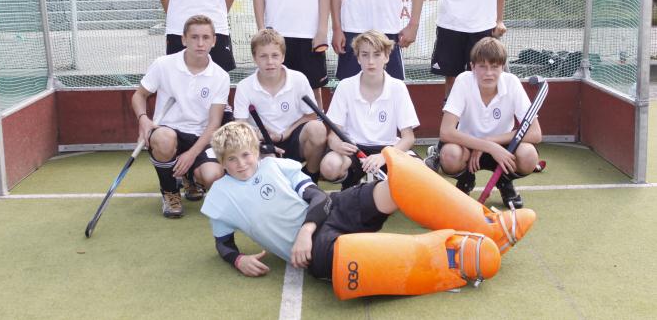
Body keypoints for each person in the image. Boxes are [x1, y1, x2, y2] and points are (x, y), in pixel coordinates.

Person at [200, 122, 537, 298]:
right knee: (349, 262)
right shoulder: (221, 198)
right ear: (222, 162)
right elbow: (223, 243)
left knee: (398, 183)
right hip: (318, 249)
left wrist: (305, 230)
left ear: (256, 151)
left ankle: (488, 227)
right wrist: (238, 260)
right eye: (232, 159)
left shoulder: (276, 166)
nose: (242, 163)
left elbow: (318, 198)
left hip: (329, 213)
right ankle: (455, 259)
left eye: (246, 155)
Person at [131, 15, 229, 217]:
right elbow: (139, 95)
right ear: (184, 39)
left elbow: (214, 124)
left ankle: (190, 177)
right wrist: (143, 119)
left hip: (201, 137)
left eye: (205, 37)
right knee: (163, 139)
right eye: (194, 37)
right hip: (169, 132)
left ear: (214, 41)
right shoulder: (163, 64)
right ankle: (169, 191)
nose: (200, 43)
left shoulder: (221, 76)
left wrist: (191, 154)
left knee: (214, 176)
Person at [434, 37, 542, 209]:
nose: (488, 73)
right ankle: (466, 180)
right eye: (482, 66)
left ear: (502, 67)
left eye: (494, 66)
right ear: (472, 67)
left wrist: (490, 142)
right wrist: (487, 146)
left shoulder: (512, 82)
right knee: (449, 155)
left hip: (502, 147)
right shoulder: (463, 80)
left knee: (529, 156)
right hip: (467, 146)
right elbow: (446, 132)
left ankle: (504, 181)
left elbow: (535, 134)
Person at [319, 30, 421, 189]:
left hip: (388, 149)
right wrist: (337, 145)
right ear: (358, 58)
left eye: (377, 55)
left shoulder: (398, 87)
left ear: (386, 57)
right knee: (330, 166)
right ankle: (351, 184)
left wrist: (384, 156)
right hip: (353, 149)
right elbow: (333, 136)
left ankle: (386, 188)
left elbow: (408, 138)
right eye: (365, 55)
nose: (371, 61)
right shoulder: (345, 86)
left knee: (420, 170)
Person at [233, 29, 327, 183]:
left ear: (283, 56)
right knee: (268, 174)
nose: (270, 61)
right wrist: (257, 137)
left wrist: (285, 134)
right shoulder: (244, 86)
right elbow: (239, 126)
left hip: (293, 138)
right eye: (263, 56)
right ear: (254, 58)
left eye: (275, 55)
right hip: (260, 142)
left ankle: (310, 178)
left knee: (318, 129)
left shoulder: (298, 79)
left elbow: (311, 115)